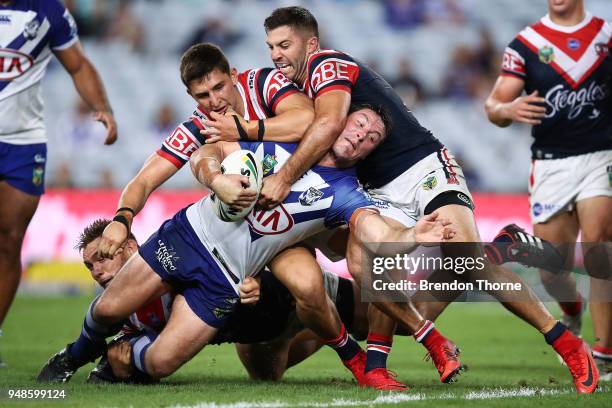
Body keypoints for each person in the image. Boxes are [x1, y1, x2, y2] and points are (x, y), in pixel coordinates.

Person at [198, 6, 597, 393]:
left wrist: (281, 177)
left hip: (421, 167)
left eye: (284, 44)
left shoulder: (327, 65)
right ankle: (377, 363)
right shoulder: (291, 91)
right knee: (370, 267)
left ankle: (566, 343)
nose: (276, 54)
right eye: (271, 46)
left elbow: (330, 122)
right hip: (370, 188)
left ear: (311, 44)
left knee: (468, 261)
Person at [36, 219, 373, 383]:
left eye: (103, 257)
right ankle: (318, 329)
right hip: (257, 335)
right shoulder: (118, 311)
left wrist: (253, 275)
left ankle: (423, 286)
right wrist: (121, 369)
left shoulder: (166, 262)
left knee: (382, 313)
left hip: (288, 291)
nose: (96, 271)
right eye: (89, 265)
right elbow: (145, 349)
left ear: (128, 248)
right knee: (266, 380)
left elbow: (240, 245)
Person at [484, 0, 612, 381]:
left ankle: (604, 352)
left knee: (599, 245)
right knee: (554, 267)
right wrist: (507, 111)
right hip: (551, 163)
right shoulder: (526, 43)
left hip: (600, 155)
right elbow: (494, 105)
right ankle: (572, 312)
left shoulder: (605, 36)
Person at [0, 0, 117, 367]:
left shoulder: (47, 10)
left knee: (9, 241)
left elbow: (78, 64)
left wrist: (103, 107)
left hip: (22, 142)